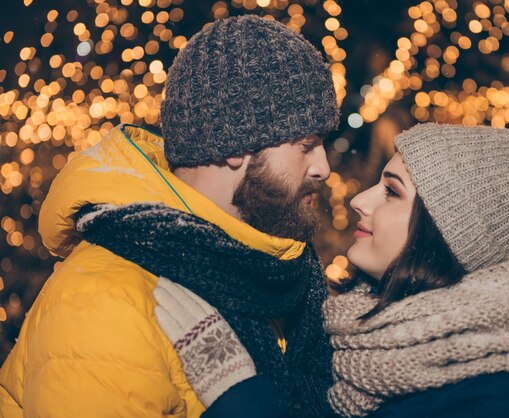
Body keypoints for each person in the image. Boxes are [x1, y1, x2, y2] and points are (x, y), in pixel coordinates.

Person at [0, 15, 339, 418]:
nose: (323, 167)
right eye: (306, 144)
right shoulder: (106, 305)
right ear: (236, 144)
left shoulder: (262, 272)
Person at [323, 123, 509, 418]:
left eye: (391, 191)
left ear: (448, 232)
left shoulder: (496, 399)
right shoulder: (361, 336)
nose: (359, 201)